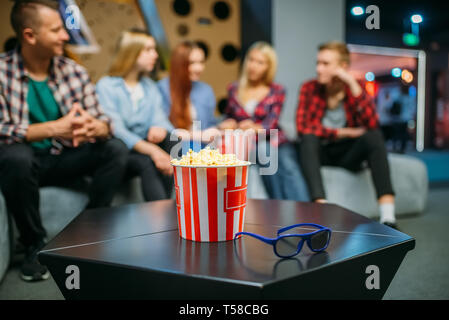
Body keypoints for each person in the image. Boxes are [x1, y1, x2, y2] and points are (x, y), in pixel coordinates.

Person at [0, 0, 128, 281]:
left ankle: (89, 231)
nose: (66, 36)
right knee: (14, 156)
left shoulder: (73, 71)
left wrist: (95, 127)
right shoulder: (2, 73)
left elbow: (106, 123)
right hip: (24, 165)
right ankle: (35, 242)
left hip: (66, 158)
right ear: (30, 35)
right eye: (57, 29)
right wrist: (53, 128)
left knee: (116, 149)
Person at [296, 41, 398, 229]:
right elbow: (303, 127)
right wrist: (342, 132)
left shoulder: (355, 88)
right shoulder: (309, 88)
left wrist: (351, 83)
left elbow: (372, 124)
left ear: (342, 67)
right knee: (308, 140)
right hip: (321, 153)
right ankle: (321, 211)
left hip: (347, 156)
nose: (319, 69)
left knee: (373, 136)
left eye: (325, 64)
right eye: (318, 63)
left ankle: (388, 217)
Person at [219, 41, 309, 201]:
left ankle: (306, 209)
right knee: (264, 151)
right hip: (250, 143)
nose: (253, 66)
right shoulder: (233, 88)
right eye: (251, 60)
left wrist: (252, 127)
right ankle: (278, 204)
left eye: (260, 62)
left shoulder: (277, 90)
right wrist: (230, 123)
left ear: (269, 66)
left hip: (275, 139)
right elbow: (229, 116)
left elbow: (270, 125)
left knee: (288, 165)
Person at [96, 29, 176, 201]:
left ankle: (171, 208)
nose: (155, 55)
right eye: (148, 50)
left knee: (173, 140)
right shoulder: (107, 86)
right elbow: (117, 130)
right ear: (131, 52)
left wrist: (160, 127)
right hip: (123, 152)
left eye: (154, 49)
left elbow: (161, 118)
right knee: (146, 161)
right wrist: (153, 150)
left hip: (147, 147)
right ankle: (164, 216)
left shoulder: (150, 87)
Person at [158, 41, 219, 150]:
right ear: (179, 64)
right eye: (192, 63)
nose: (199, 68)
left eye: (201, 62)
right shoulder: (162, 88)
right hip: (175, 148)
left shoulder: (206, 90)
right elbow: (162, 129)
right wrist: (196, 135)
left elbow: (210, 124)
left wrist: (217, 129)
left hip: (203, 148)